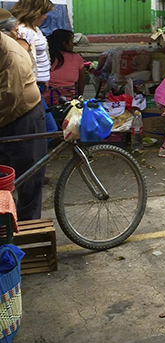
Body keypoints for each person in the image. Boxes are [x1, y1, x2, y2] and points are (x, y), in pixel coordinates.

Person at [0, 28, 47, 221]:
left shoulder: (10, 53)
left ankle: (26, 232)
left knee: (29, 182)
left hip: (23, 118)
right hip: (8, 117)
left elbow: (8, 98)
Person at [11, 0, 58, 133]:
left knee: (36, 129)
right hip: (30, 86)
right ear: (34, 12)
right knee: (48, 130)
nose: (45, 17)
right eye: (43, 13)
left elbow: (41, 58)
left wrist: (45, 79)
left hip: (38, 85)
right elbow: (19, 60)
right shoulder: (23, 32)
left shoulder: (35, 29)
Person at [46, 29, 85, 104]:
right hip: (68, 102)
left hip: (45, 101)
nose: (72, 44)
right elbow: (81, 82)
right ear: (65, 44)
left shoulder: (46, 57)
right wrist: (79, 97)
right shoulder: (76, 58)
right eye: (71, 41)